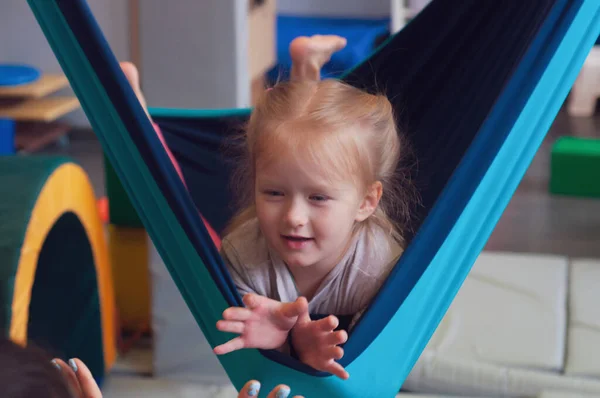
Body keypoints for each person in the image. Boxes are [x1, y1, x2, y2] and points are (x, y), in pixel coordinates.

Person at [210, 46, 414, 380]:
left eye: (318, 198)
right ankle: (305, 70)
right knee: (300, 133)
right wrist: (286, 346)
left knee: (305, 139)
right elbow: (258, 367)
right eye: (274, 193)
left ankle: (306, 69)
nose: (293, 217)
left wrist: (313, 352)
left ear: (366, 202)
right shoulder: (242, 256)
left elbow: (368, 364)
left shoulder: (378, 266)